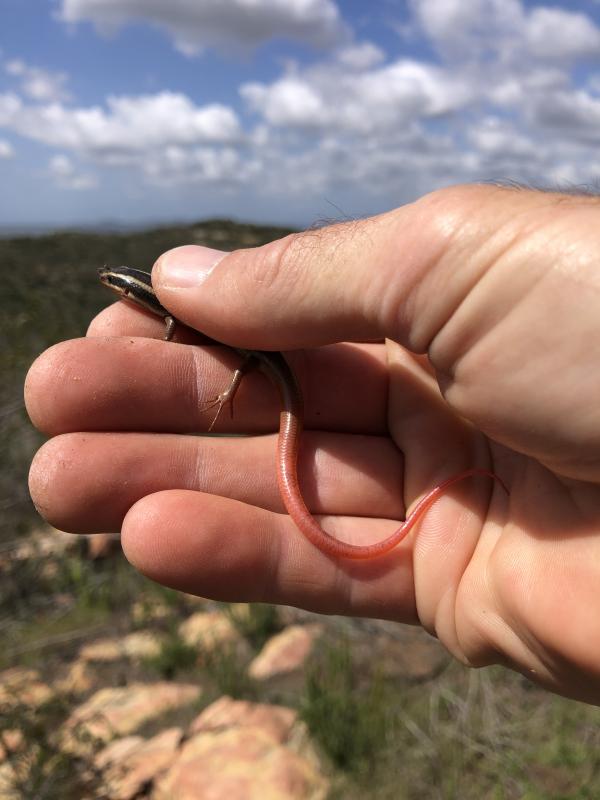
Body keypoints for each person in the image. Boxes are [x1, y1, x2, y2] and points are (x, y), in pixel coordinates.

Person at [25, 183, 600, 704]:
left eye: (114, 283)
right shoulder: (160, 309)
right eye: (112, 282)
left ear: (130, 292)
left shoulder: (167, 307)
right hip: (269, 366)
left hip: (266, 364)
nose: (113, 288)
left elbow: (189, 330)